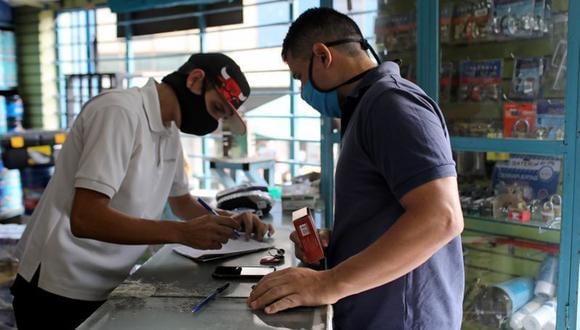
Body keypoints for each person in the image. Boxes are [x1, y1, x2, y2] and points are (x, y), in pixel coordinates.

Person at [12, 53, 274, 329]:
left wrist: (228, 221)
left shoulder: (168, 129)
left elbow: (182, 202)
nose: (212, 124)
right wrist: (182, 232)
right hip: (59, 286)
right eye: (216, 108)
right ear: (195, 81)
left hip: (110, 283)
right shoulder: (118, 112)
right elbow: (85, 218)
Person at [248, 8, 464, 329]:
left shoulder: (391, 103)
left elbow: (440, 218)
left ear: (322, 56)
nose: (302, 90)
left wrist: (327, 283)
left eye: (299, 77)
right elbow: (390, 213)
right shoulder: (366, 108)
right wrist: (341, 241)